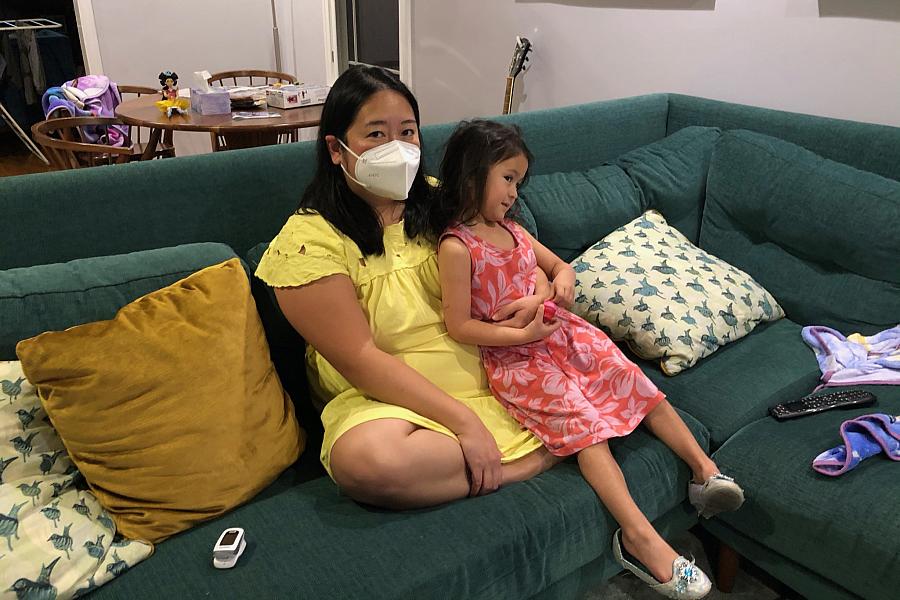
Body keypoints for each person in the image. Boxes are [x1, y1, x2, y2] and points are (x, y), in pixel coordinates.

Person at [426, 119, 745, 600]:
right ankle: (640, 539)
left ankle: (705, 472)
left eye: (519, 181)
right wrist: (524, 325)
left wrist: (554, 288)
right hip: (516, 359)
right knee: (584, 426)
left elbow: (559, 269)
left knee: (632, 380)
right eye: (507, 178)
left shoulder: (512, 231)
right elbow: (459, 326)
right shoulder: (457, 246)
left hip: (560, 334)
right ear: (473, 174)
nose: (515, 192)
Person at [255, 65, 561, 512]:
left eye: (408, 132)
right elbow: (361, 360)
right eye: (375, 135)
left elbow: (515, 253)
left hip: (492, 369)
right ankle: (532, 458)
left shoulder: (443, 199)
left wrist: (537, 287)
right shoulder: (307, 243)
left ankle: (507, 451)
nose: (396, 149)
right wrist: (465, 425)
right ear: (336, 150)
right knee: (369, 461)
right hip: (384, 402)